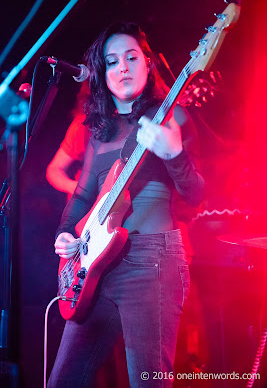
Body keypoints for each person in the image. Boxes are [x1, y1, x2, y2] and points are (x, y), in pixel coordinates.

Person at [48, 21, 204, 388]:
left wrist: (174, 154)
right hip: (95, 266)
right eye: (112, 61)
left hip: (152, 263)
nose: (122, 67)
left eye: (132, 57)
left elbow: (197, 195)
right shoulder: (96, 128)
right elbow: (83, 195)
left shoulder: (171, 117)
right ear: (102, 72)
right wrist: (65, 234)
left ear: (148, 64)